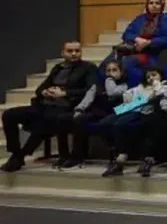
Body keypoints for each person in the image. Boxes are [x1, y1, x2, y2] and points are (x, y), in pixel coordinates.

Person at [1, 41, 97, 172]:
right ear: (63, 53)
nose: (74, 54)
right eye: (70, 51)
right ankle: (16, 152)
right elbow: (40, 88)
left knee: (44, 121)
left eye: (77, 51)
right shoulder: (58, 68)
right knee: (9, 114)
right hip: (44, 105)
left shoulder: (88, 68)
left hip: (66, 107)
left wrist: (65, 93)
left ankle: (19, 157)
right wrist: (44, 92)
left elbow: (91, 90)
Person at [100, 66, 167, 178]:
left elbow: (160, 98)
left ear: (161, 76)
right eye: (148, 76)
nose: (151, 78)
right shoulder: (140, 87)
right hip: (128, 108)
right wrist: (128, 95)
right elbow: (130, 96)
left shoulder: (165, 86)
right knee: (104, 123)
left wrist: (155, 88)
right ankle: (114, 153)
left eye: (154, 75)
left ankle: (123, 159)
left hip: (146, 112)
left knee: (119, 124)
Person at [115, 0, 167, 70]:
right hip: (133, 48)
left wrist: (148, 42)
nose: (154, 5)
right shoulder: (140, 18)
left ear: (162, 5)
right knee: (110, 60)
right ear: (147, 5)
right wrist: (137, 39)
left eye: (157, 3)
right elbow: (127, 33)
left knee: (126, 62)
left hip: (153, 53)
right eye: (151, 3)